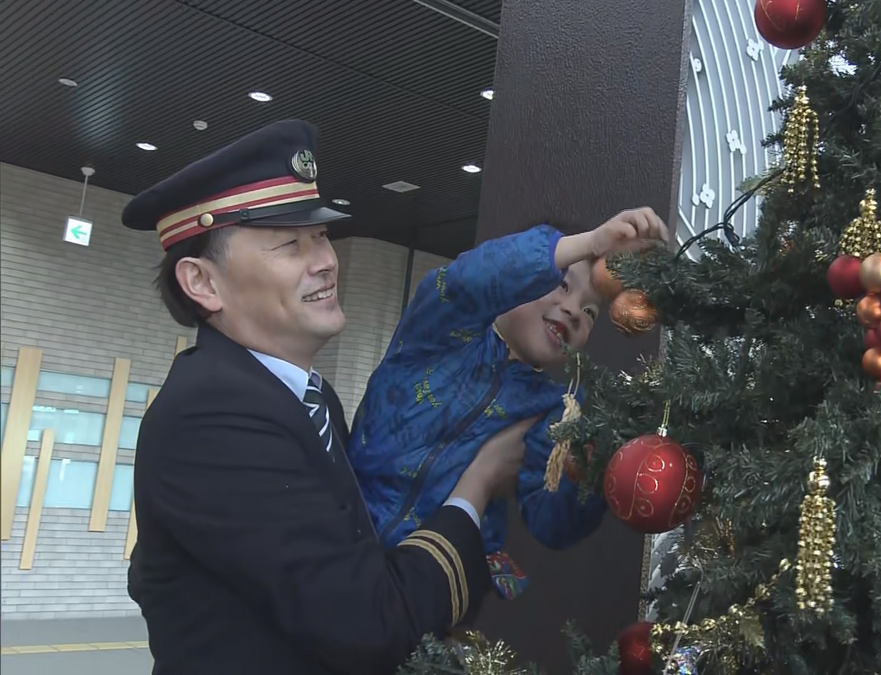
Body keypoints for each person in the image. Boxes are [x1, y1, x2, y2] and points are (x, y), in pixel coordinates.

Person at [122, 119, 530, 674]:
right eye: (290, 243)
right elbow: (369, 625)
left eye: (322, 237)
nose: (326, 261)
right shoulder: (210, 417)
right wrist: (475, 488)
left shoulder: (309, 399)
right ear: (203, 283)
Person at [348, 208, 668, 598]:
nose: (573, 310)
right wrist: (590, 243)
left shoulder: (552, 409)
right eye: (564, 286)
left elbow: (551, 523)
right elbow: (472, 278)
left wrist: (591, 466)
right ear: (519, 279)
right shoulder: (444, 328)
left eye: (589, 312)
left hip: (435, 582)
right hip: (345, 532)